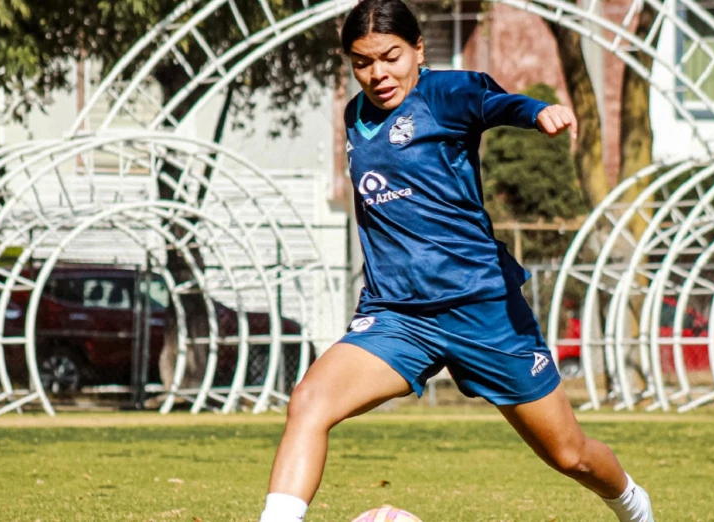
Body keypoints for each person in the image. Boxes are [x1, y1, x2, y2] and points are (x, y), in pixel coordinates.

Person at [259, 0, 654, 520]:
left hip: (483, 310)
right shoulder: (356, 117)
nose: (377, 74)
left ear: (419, 49)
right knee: (309, 402)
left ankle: (633, 504)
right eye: (361, 62)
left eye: (390, 56)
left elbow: (497, 104)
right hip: (398, 317)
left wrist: (537, 112)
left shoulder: (444, 93)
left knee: (570, 455)